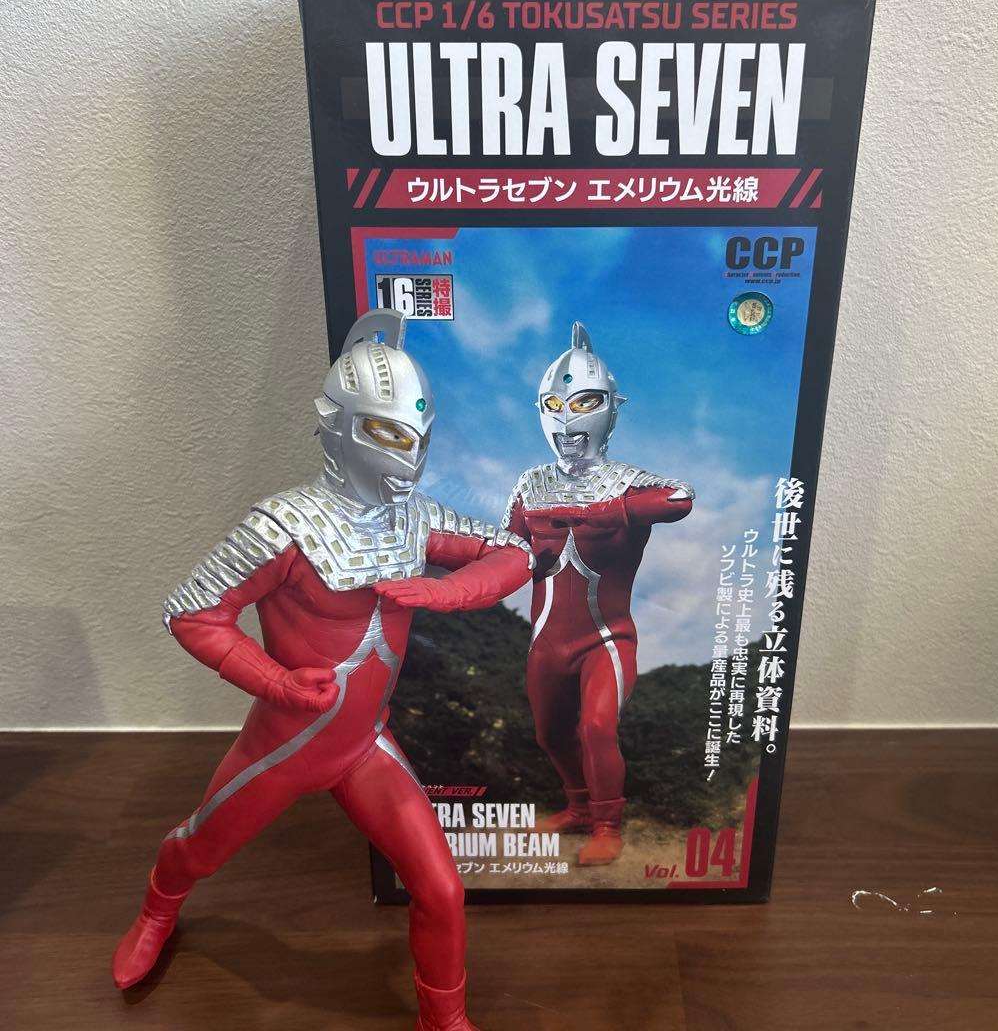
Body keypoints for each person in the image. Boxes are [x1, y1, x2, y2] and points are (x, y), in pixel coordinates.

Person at [112, 310, 533, 1031]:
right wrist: (274, 681)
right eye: (391, 434)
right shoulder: (284, 526)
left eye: (419, 436)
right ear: (341, 427)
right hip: (284, 742)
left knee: (441, 890)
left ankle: (444, 1019)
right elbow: (192, 612)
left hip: (364, 743)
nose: (410, 455)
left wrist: (446, 592)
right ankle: (157, 907)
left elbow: (515, 553)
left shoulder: (417, 519)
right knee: (199, 847)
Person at [504, 322, 693, 866]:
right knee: (549, 734)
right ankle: (579, 807)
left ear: (610, 408)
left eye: (584, 402)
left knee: (595, 726)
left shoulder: (628, 481)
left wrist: (610, 511)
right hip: (546, 643)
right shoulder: (531, 483)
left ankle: (608, 824)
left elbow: (680, 497)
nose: (568, 418)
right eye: (554, 404)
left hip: (606, 640)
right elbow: (505, 549)